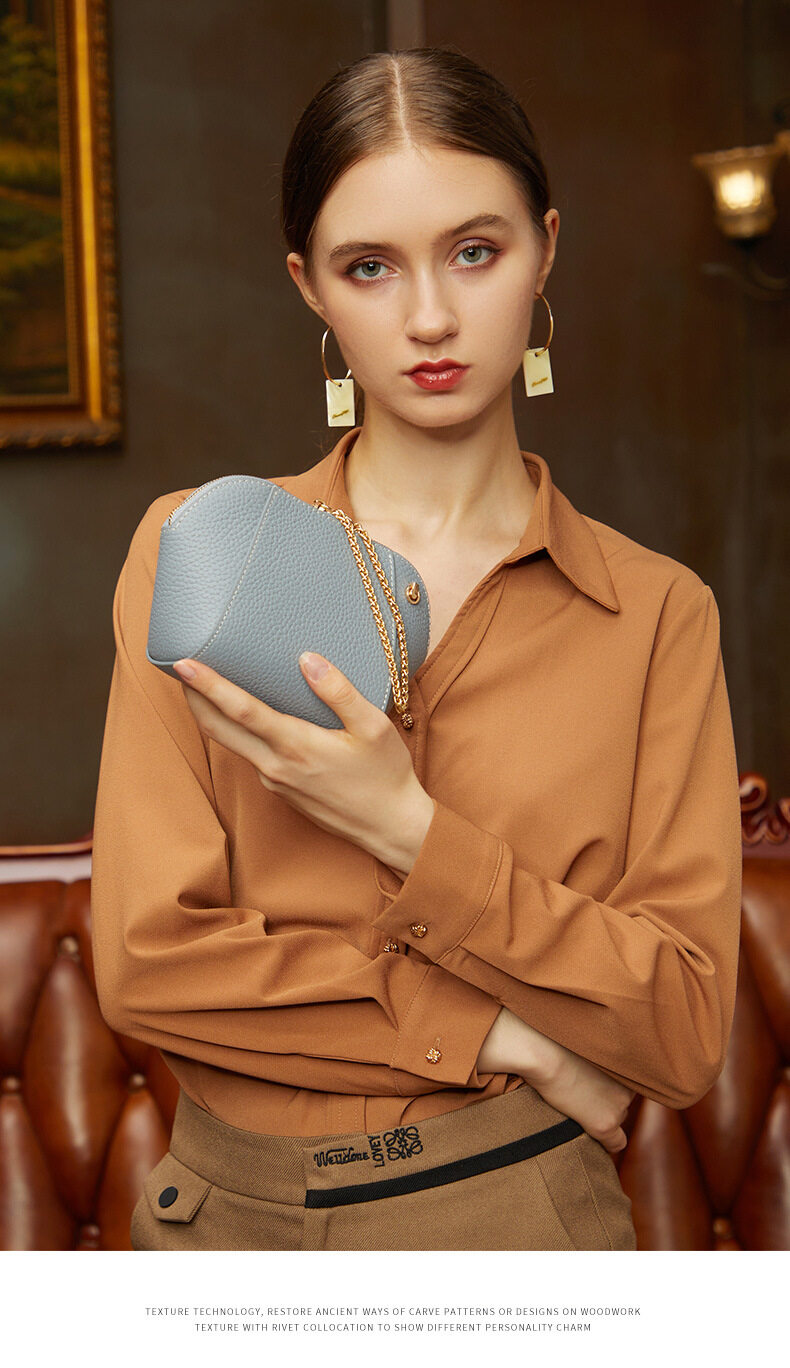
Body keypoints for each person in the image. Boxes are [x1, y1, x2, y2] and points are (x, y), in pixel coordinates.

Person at [90, 46, 742, 1252]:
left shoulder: (657, 615)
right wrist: (505, 1036)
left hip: (523, 1226)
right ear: (310, 288)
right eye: (370, 267)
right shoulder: (197, 553)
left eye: (474, 252)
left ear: (544, 251)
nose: (430, 316)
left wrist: (405, 827)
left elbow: (682, 1029)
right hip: (222, 1231)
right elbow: (147, 963)